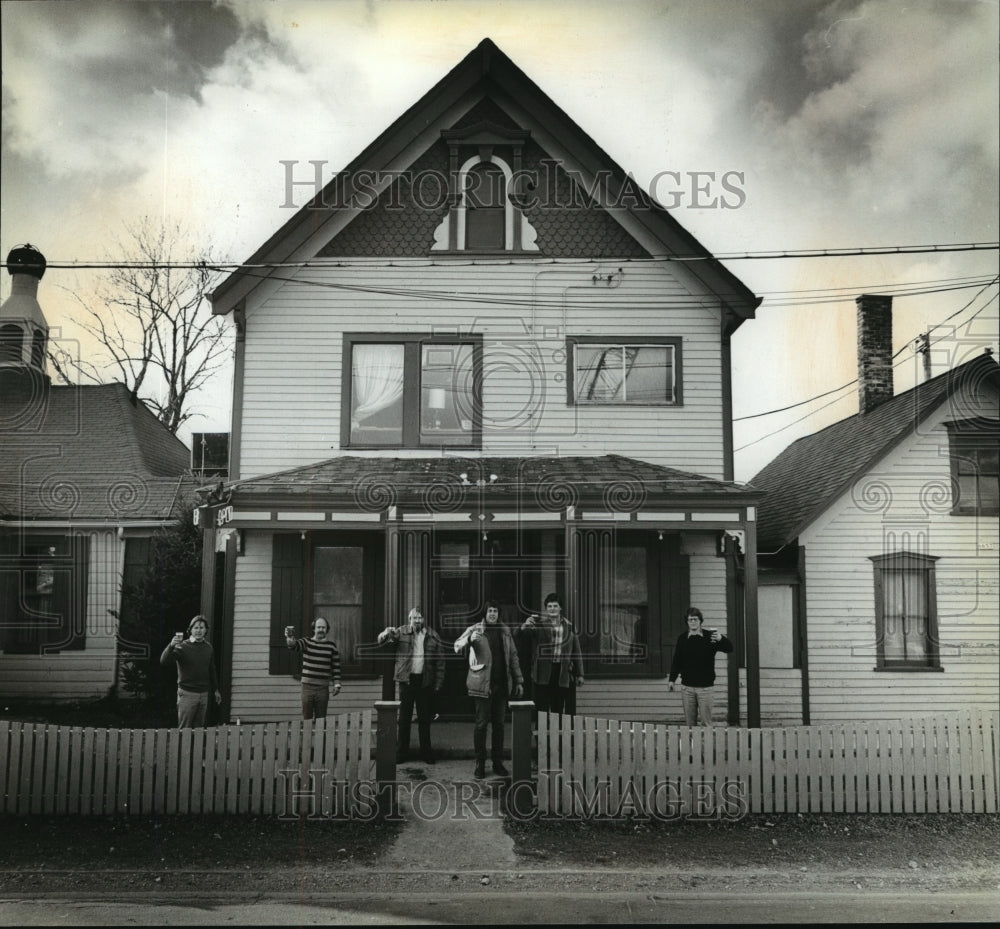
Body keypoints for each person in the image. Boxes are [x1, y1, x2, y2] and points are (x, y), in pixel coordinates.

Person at [454, 601, 524, 779]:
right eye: (490, 611)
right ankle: (480, 764)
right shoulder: (475, 629)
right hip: (482, 684)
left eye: (495, 611)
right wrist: (469, 640)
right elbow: (457, 645)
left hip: (501, 685)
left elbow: (513, 656)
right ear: (485, 613)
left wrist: (518, 680)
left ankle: (498, 763)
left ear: (498, 613)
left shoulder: (505, 631)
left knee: (499, 726)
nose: (492, 614)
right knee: (481, 725)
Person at [377, 607, 445, 763]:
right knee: (404, 718)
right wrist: (385, 633)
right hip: (406, 681)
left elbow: (440, 663)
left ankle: (426, 753)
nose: (417, 621)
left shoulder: (433, 636)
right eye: (414, 618)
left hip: (425, 681)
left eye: (420, 618)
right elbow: (381, 641)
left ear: (424, 620)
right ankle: (402, 753)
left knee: (424, 719)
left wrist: (438, 685)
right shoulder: (400, 632)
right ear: (409, 619)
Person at [518, 592, 583, 715]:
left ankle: (556, 734)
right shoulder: (540, 625)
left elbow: (576, 652)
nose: (552, 609)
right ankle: (540, 734)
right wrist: (524, 626)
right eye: (549, 606)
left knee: (557, 708)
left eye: (555, 606)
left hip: (562, 672)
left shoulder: (569, 627)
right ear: (546, 608)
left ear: (560, 608)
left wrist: (580, 674)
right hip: (542, 672)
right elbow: (524, 636)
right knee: (541, 708)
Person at [667, 607, 733, 726]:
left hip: (706, 688)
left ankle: (706, 744)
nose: (693, 622)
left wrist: (721, 638)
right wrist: (672, 679)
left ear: (700, 621)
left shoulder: (710, 637)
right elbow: (677, 661)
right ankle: (692, 745)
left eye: (695, 619)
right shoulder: (682, 639)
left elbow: (729, 648)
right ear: (687, 622)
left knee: (706, 722)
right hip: (687, 688)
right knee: (690, 724)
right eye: (690, 619)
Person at [160, 615, 222, 728]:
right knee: (185, 729)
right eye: (196, 627)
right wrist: (170, 646)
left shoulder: (209, 648)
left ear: (206, 630)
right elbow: (164, 661)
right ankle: (183, 746)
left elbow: (211, 669)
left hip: (204, 694)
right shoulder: (182, 646)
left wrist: (216, 689)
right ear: (190, 630)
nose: (199, 630)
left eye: (201, 628)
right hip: (187, 694)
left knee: (199, 729)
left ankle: (196, 747)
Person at [285, 616, 342, 720]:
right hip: (307, 688)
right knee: (307, 718)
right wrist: (289, 638)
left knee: (321, 719)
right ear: (314, 629)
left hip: (323, 689)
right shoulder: (306, 642)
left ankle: (320, 737)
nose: (321, 630)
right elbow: (294, 645)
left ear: (327, 630)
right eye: (318, 627)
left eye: (323, 628)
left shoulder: (331, 646)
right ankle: (307, 737)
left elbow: (336, 667)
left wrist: (337, 684)